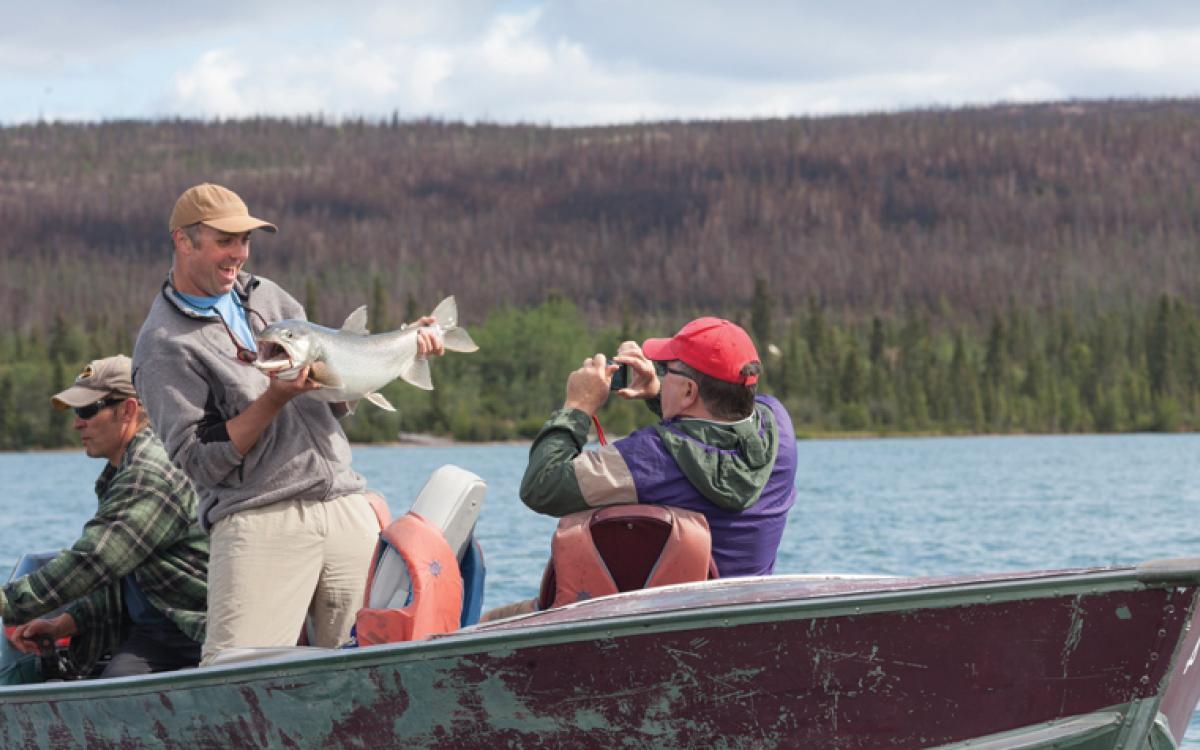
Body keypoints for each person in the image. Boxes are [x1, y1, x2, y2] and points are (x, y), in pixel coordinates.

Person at [131, 183, 443, 665]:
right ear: (183, 240)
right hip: (259, 521)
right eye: (224, 241)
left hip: (345, 509)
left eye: (245, 241)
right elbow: (199, 460)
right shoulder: (163, 345)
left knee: (369, 675)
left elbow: (330, 400)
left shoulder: (269, 296)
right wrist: (274, 399)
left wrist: (398, 349)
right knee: (234, 682)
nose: (238, 254)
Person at [520, 317, 797, 578]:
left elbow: (542, 485)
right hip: (743, 610)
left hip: (667, 616)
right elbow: (714, 426)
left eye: (666, 370)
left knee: (494, 620)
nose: (661, 375)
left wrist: (578, 406)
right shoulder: (778, 426)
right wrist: (658, 394)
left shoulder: (650, 457)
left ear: (689, 391)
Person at [2, 355, 208, 678]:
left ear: (127, 410)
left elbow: (94, 560)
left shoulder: (149, 474)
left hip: (191, 630)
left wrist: (8, 602)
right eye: (76, 412)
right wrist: (63, 625)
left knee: (111, 693)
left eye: (86, 410)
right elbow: (119, 581)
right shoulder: (122, 469)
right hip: (157, 630)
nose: (76, 423)